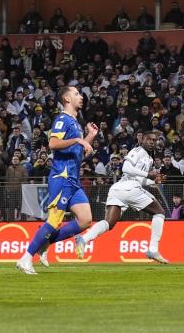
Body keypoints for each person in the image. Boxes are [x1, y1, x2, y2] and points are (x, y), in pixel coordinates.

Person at [15, 86, 98, 275]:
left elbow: (79, 152)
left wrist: (89, 137)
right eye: (76, 94)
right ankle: (25, 258)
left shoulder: (76, 123)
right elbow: (53, 143)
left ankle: (45, 244)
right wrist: (78, 140)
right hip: (62, 177)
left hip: (73, 180)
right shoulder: (62, 119)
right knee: (54, 220)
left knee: (85, 220)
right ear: (67, 99)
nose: (81, 96)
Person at [76, 130, 169, 264]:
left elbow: (138, 178)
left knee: (109, 223)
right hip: (129, 188)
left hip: (119, 189)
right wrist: (148, 174)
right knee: (159, 212)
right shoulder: (137, 151)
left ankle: (83, 239)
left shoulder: (149, 159)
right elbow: (125, 168)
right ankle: (153, 249)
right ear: (142, 139)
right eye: (149, 139)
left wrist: (153, 181)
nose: (152, 142)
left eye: (154, 140)